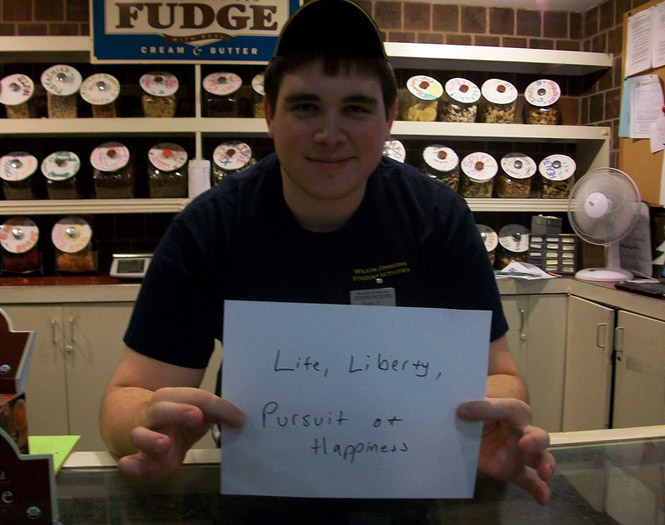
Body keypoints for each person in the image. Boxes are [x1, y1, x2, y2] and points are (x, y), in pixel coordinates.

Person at [100, 0, 555, 506]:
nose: (329, 134)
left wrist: (492, 421)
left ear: (390, 119)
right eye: (305, 106)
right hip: (263, 485)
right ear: (269, 115)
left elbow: (501, 373)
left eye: (356, 109)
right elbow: (128, 393)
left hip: (409, 480)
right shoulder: (211, 227)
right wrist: (148, 428)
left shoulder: (437, 218)